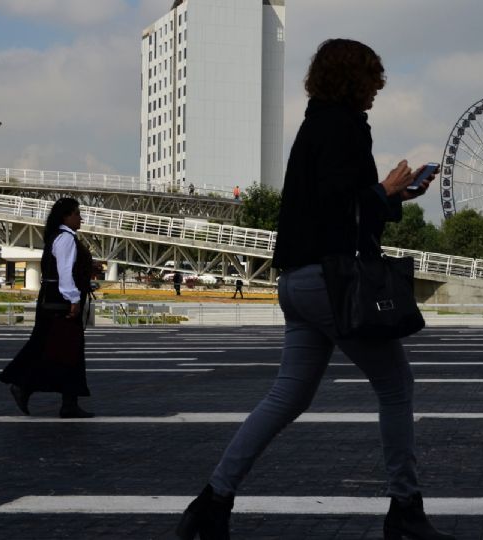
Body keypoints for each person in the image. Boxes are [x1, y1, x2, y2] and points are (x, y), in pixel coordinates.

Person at [176, 39, 454, 540]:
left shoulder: (314, 126)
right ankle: (405, 510)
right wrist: (385, 191)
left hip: (298, 281)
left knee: (288, 395)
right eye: (372, 80)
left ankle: (212, 501)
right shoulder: (343, 128)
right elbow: (338, 209)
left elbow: (339, 205)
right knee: (395, 385)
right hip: (330, 281)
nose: (377, 90)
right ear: (352, 80)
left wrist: (393, 197)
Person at [0, 197, 94, 418]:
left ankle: (64, 400)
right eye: (77, 214)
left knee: (55, 347)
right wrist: (73, 299)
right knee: (63, 349)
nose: (80, 218)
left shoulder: (58, 237)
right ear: (66, 217)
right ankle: (30, 388)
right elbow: (64, 271)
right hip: (60, 303)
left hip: (51, 300)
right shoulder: (66, 238)